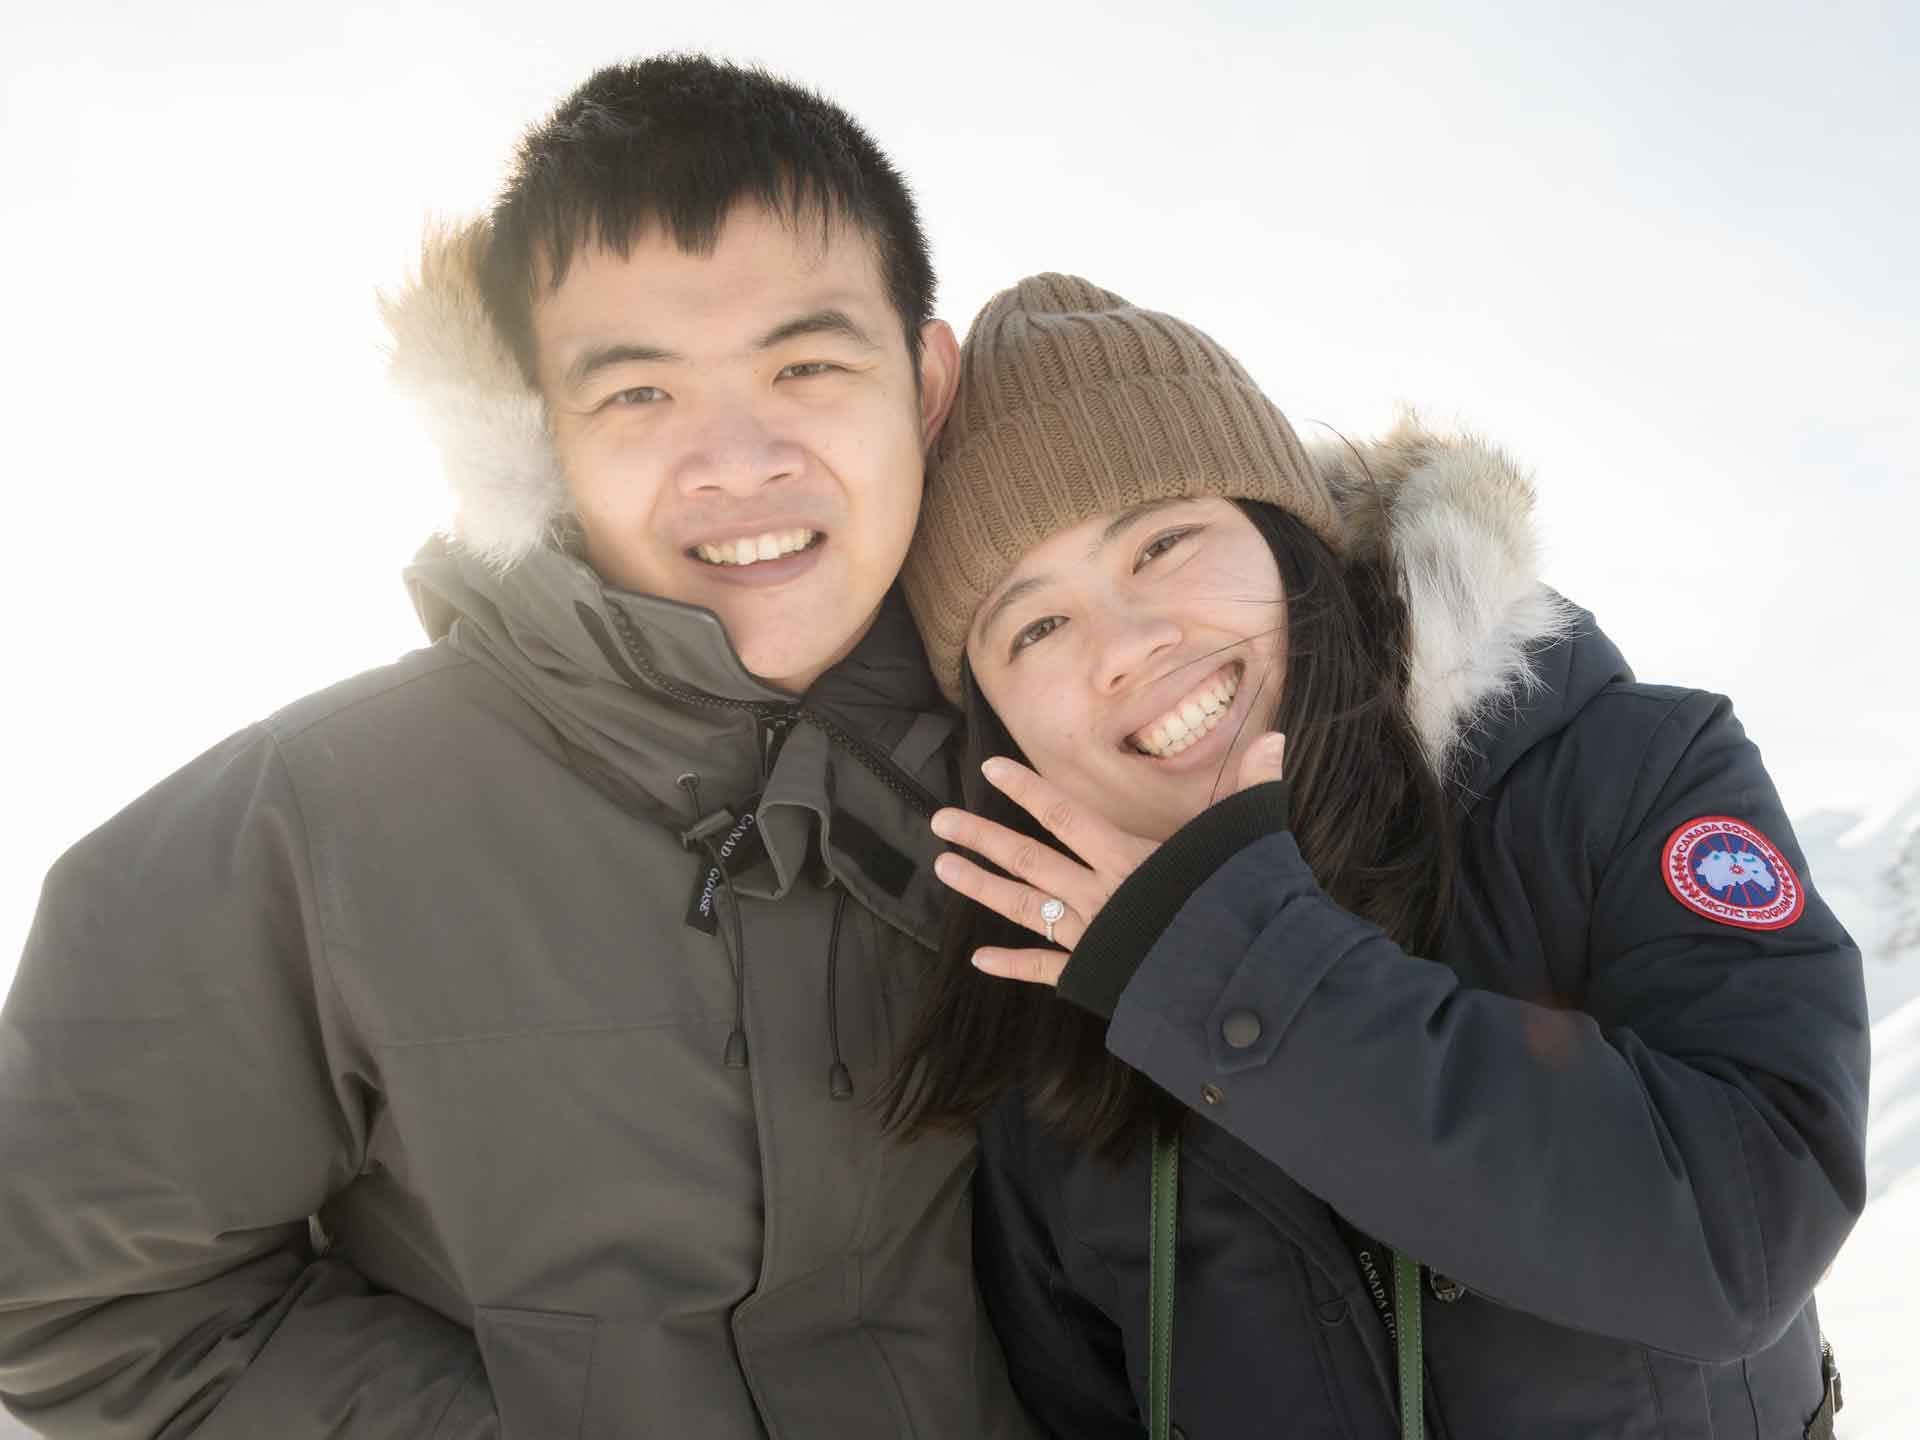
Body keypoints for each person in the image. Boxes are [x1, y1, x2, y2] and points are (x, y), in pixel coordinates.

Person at [0, 57, 1038, 1439]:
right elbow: (70, 1297)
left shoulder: (1053, 764)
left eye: (806, 363)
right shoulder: (318, 820)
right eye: (639, 396)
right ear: (539, 432)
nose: (737, 460)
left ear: (920, 383)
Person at [885, 273, 1864, 1438]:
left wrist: (1232, 971)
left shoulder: (1614, 767)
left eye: (1164, 542)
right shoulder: (1040, 1035)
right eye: (1035, 624)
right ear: (997, 721)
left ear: (1289, 544)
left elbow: (1746, 1229)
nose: (1129, 646)